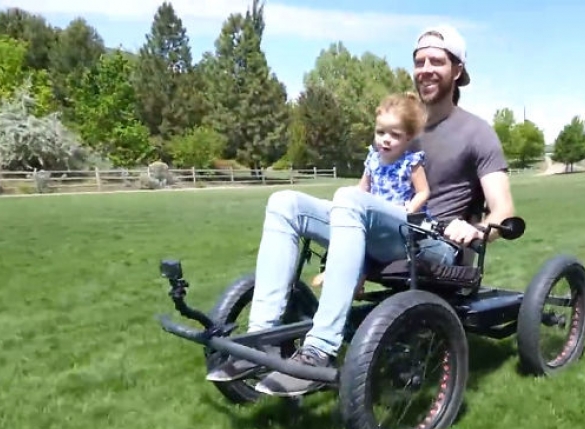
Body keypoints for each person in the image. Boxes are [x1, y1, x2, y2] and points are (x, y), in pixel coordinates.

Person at [207, 23, 515, 397]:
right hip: (387, 231)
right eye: (420, 61)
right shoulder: (401, 124)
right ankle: (261, 340)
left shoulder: (477, 133)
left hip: (435, 243)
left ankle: (318, 352)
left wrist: (478, 230)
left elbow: (502, 210)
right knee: (284, 202)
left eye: (437, 61)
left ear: (458, 70)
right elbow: (370, 188)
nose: (426, 69)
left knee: (348, 200)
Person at [311, 90, 432, 295]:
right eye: (381, 132)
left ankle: (344, 276)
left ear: (408, 138)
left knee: (364, 241)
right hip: (374, 219)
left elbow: (424, 192)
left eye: (395, 135)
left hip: (399, 222)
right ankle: (351, 281)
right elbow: (362, 189)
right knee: (356, 237)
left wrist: (409, 209)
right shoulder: (373, 160)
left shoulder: (410, 162)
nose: (386, 139)